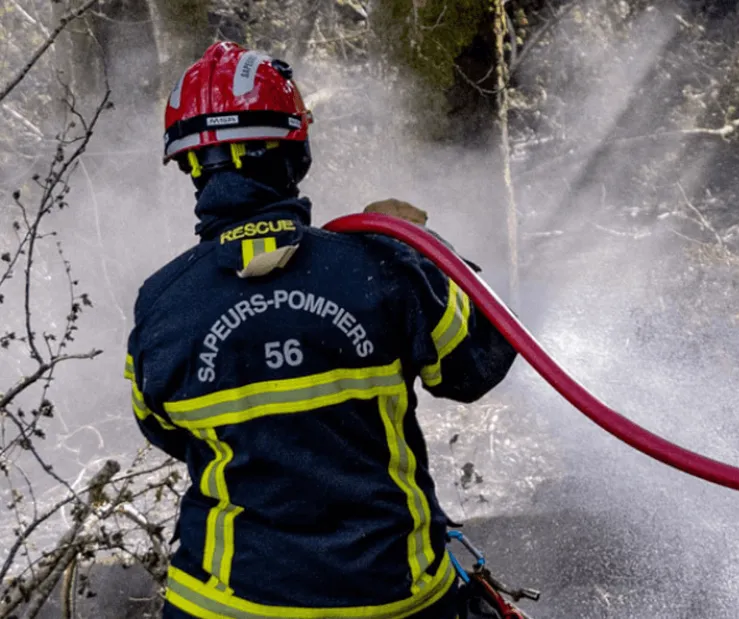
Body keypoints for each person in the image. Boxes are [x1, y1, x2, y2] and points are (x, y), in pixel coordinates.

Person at [124, 41, 517, 619]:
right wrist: (428, 252)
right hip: (393, 599)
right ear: (296, 146)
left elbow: (161, 428)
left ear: (188, 165)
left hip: (224, 604)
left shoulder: (160, 303)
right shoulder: (385, 267)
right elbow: (475, 364)